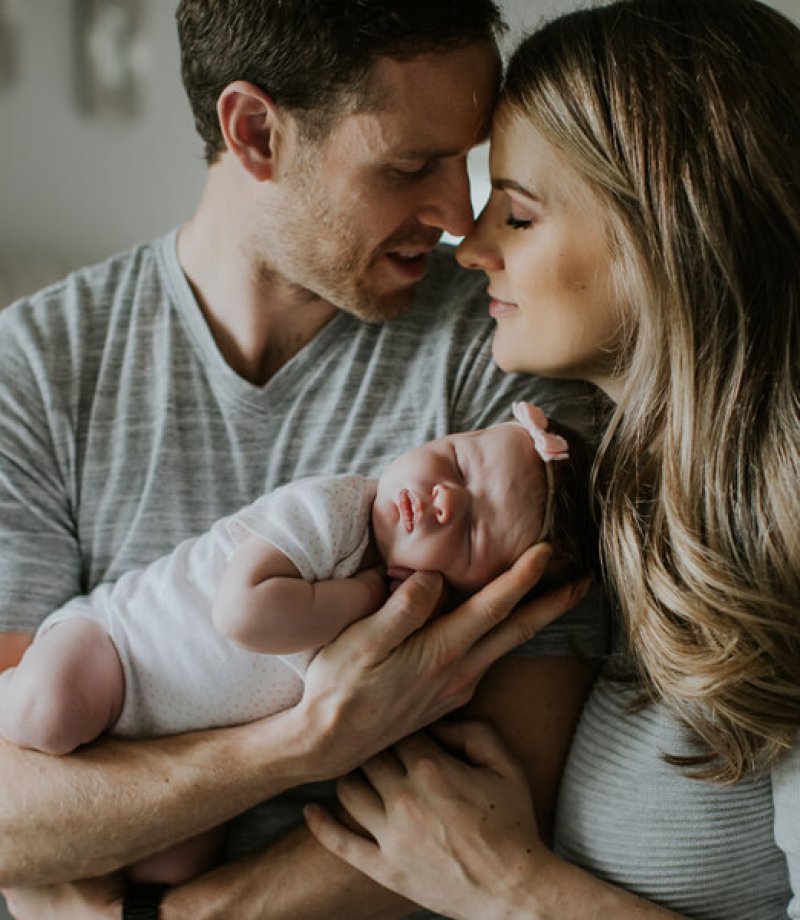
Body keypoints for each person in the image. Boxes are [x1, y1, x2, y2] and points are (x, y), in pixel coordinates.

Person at [0, 2, 606, 918]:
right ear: (254, 132)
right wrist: (304, 743)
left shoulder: (510, 361)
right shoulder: (35, 370)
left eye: (466, 161)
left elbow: (504, 787)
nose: (458, 218)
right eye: (411, 165)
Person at [303, 1, 800, 919]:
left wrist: (511, 887)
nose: (472, 248)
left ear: (670, 233)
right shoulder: (620, 499)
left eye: (519, 215)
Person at [0, 401, 596, 886]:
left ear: (476, 594)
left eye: (469, 532)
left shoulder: (420, 638)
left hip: (193, 743)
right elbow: (244, 613)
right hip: (118, 652)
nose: (445, 499)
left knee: (171, 873)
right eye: (458, 463)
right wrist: (362, 597)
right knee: (47, 712)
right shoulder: (334, 511)